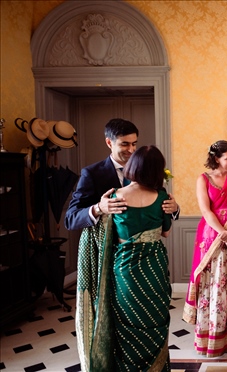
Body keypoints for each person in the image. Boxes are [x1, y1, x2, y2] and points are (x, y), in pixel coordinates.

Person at [75, 145, 173, 371]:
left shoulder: (114, 197)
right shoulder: (162, 197)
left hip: (125, 269)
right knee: (154, 317)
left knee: (127, 321)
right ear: (158, 170)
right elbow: (165, 232)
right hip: (154, 268)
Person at [182, 140, 227, 357]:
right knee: (214, 283)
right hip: (211, 236)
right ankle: (213, 335)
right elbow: (206, 210)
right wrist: (222, 232)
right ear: (216, 158)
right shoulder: (203, 179)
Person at [65, 118, 179, 232]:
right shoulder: (92, 174)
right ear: (109, 143)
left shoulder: (146, 169)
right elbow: (70, 219)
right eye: (125, 144)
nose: (131, 150)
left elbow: (159, 204)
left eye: (134, 144)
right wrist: (98, 208)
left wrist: (174, 209)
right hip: (107, 247)